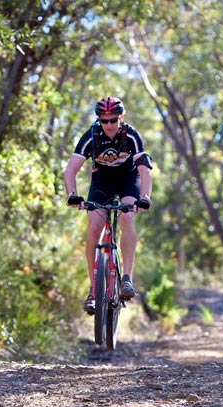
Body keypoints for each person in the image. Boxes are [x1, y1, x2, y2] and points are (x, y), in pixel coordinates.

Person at [63, 96, 153, 314]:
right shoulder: (91, 136)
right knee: (94, 228)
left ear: (121, 118)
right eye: (105, 120)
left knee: (126, 216)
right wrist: (72, 194)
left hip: (127, 182)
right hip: (101, 182)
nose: (110, 125)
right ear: (99, 120)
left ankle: (127, 279)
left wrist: (145, 197)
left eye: (114, 120)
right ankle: (94, 290)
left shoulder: (130, 135)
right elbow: (71, 169)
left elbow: (144, 170)